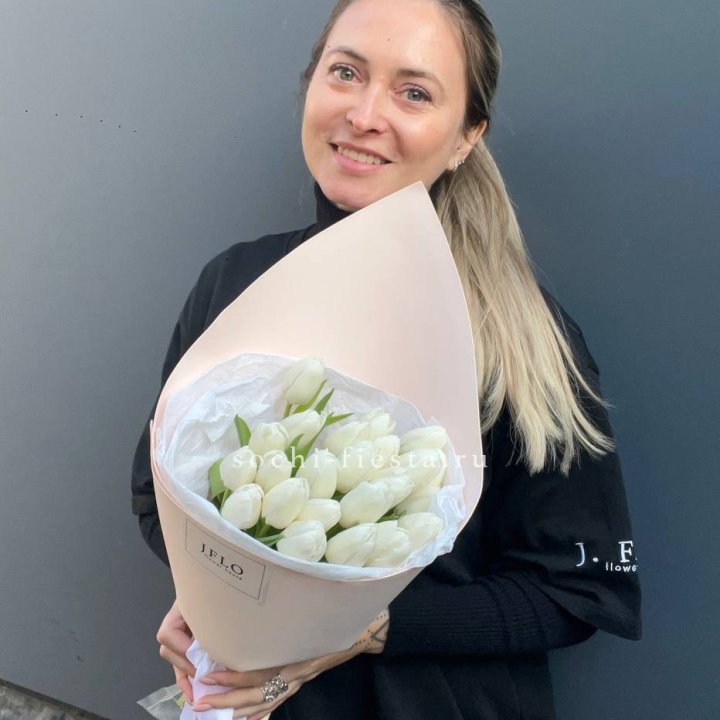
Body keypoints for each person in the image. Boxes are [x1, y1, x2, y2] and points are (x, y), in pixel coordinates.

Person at [131, 1, 641, 718]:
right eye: (346, 73)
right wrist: (216, 599)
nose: (365, 114)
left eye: (414, 92)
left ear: (467, 136)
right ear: (310, 85)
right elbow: (154, 493)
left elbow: (579, 590)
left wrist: (363, 627)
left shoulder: (523, 341)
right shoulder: (234, 282)